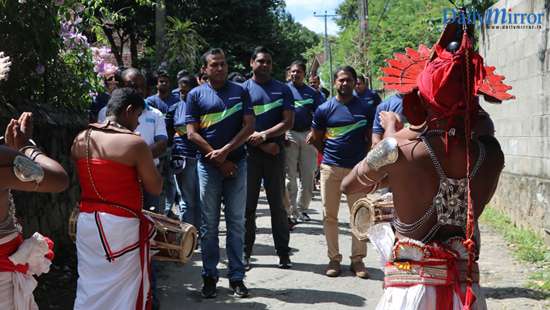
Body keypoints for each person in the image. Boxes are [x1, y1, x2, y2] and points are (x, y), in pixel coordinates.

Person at [342, 20, 513, 309]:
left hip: (409, 294)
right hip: (466, 296)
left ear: (420, 98)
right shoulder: (491, 154)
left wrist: (394, 131)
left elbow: (351, 185)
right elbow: (480, 133)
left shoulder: (397, 148)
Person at [72, 87, 162, 310]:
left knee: (89, 285)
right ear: (129, 110)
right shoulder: (135, 144)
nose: (139, 123)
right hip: (120, 227)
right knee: (124, 292)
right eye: (138, 116)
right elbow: (156, 187)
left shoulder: (82, 138)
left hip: (87, 223)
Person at [185, 48, 255, 298]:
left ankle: (237, 277)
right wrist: (217, 159)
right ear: (204, 69)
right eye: (214, 65)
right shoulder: (195, 95)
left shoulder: (240, 91)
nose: (220, 68)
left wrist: (226, 151)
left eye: (223, 64)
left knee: (236, 223)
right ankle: (210, 276)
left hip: (237, 164)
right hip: (208, 167)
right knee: (209, 225)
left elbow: (249, 126)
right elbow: (192, 133)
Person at [307, 66, 371, 279]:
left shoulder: (366, 107)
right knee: (330, 216)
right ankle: (334, 259)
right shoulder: (324, 109)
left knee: (360, 215)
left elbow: (371, 139)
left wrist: (367, 166)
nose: (345, 83)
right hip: (331, 169)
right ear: (335, 82)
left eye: (349, 80)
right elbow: (315, 138)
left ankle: (358, 260)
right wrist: (327, 158)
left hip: (357, 171)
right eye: (341, 80)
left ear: (355, 82)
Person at [243, 46, 294, 270]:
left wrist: (264, 135)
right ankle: (245, 253)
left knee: (278, 207)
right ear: (251, 63)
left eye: (268, 62)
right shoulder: (242, 90)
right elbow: (239, 126)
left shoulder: (282, 90)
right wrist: (264, 145)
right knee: (248, 208)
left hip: (276, 154)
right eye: (260, 61)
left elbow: (288, 122)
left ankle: (283, 254)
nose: (264, 65)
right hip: (249, 156)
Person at [98, 68, 168, 212]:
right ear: (121, 87)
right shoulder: (104, 113)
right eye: (133, 86)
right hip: (117, 178)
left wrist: (139, 160)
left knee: (151, 220)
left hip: (148, 177)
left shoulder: (156, 114)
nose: (139, 90)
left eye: (142, 86)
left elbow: (162, 144)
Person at [284, 61, 322, 223]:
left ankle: (302, 209)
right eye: (292, 71)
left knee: (308, 176)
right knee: (289, 177)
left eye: (298, 72)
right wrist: (282, 133)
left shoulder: (312, 93)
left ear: (304, 74)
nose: (295, 74)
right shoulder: (283, 90)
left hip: (307, 136)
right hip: (289, 135)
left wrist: (314, 132)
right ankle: (290, 211)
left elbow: (321, 115)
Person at [166, 74, 198, 220]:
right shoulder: (174, 108)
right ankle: (188, 238)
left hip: (201, 156)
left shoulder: (203, 107)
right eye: (181, 91)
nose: (183, 95)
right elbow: (168, 131)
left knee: (202, 201)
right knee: (186, 202)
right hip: (183, 158)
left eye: (187, 91)